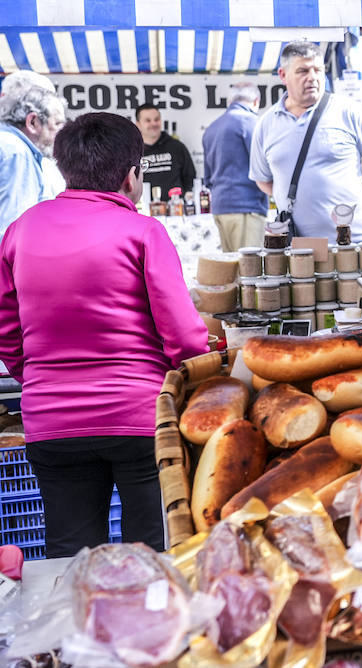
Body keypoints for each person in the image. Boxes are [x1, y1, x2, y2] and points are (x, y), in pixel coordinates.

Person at [0, 112, 207, 556]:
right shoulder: (143, 231)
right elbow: (186, 339)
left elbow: (7, 333)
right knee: (151, 557)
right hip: (139, 420)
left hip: (52, 422)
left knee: (72, 559)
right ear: (133, 177)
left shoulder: (19, 231)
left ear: (62, 168)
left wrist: (40, 378)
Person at [251, 42, 362, 241]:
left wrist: (357, 205)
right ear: (283, 75)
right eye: (302, 71)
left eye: (317, 70)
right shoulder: (266, 124)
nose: (312, 77)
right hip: (300, 244)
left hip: (355, 240)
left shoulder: (349, 111)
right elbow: (263, 179)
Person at [203, 81, 268, 251]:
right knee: (249, 271)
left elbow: (207, 178)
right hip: (247, 207)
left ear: (229, 102)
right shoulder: (252, 122)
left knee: (230, 270)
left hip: (220, 207)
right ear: (256, 102)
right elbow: (263, 168)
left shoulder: (211, 128)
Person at [0, 83, 65, 236]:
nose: (60, 133)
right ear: (33, 122)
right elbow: (12, 230)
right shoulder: (17, 153)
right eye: (56, 124)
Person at [135, 104, 196, 199]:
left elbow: (190, 176)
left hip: (175, 209)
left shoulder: (176, 146)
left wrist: (185, 197)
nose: (154, 124)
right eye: (148, 120)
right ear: (138, 124)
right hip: (143, 210)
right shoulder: (133, 150)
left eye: (156, 119)